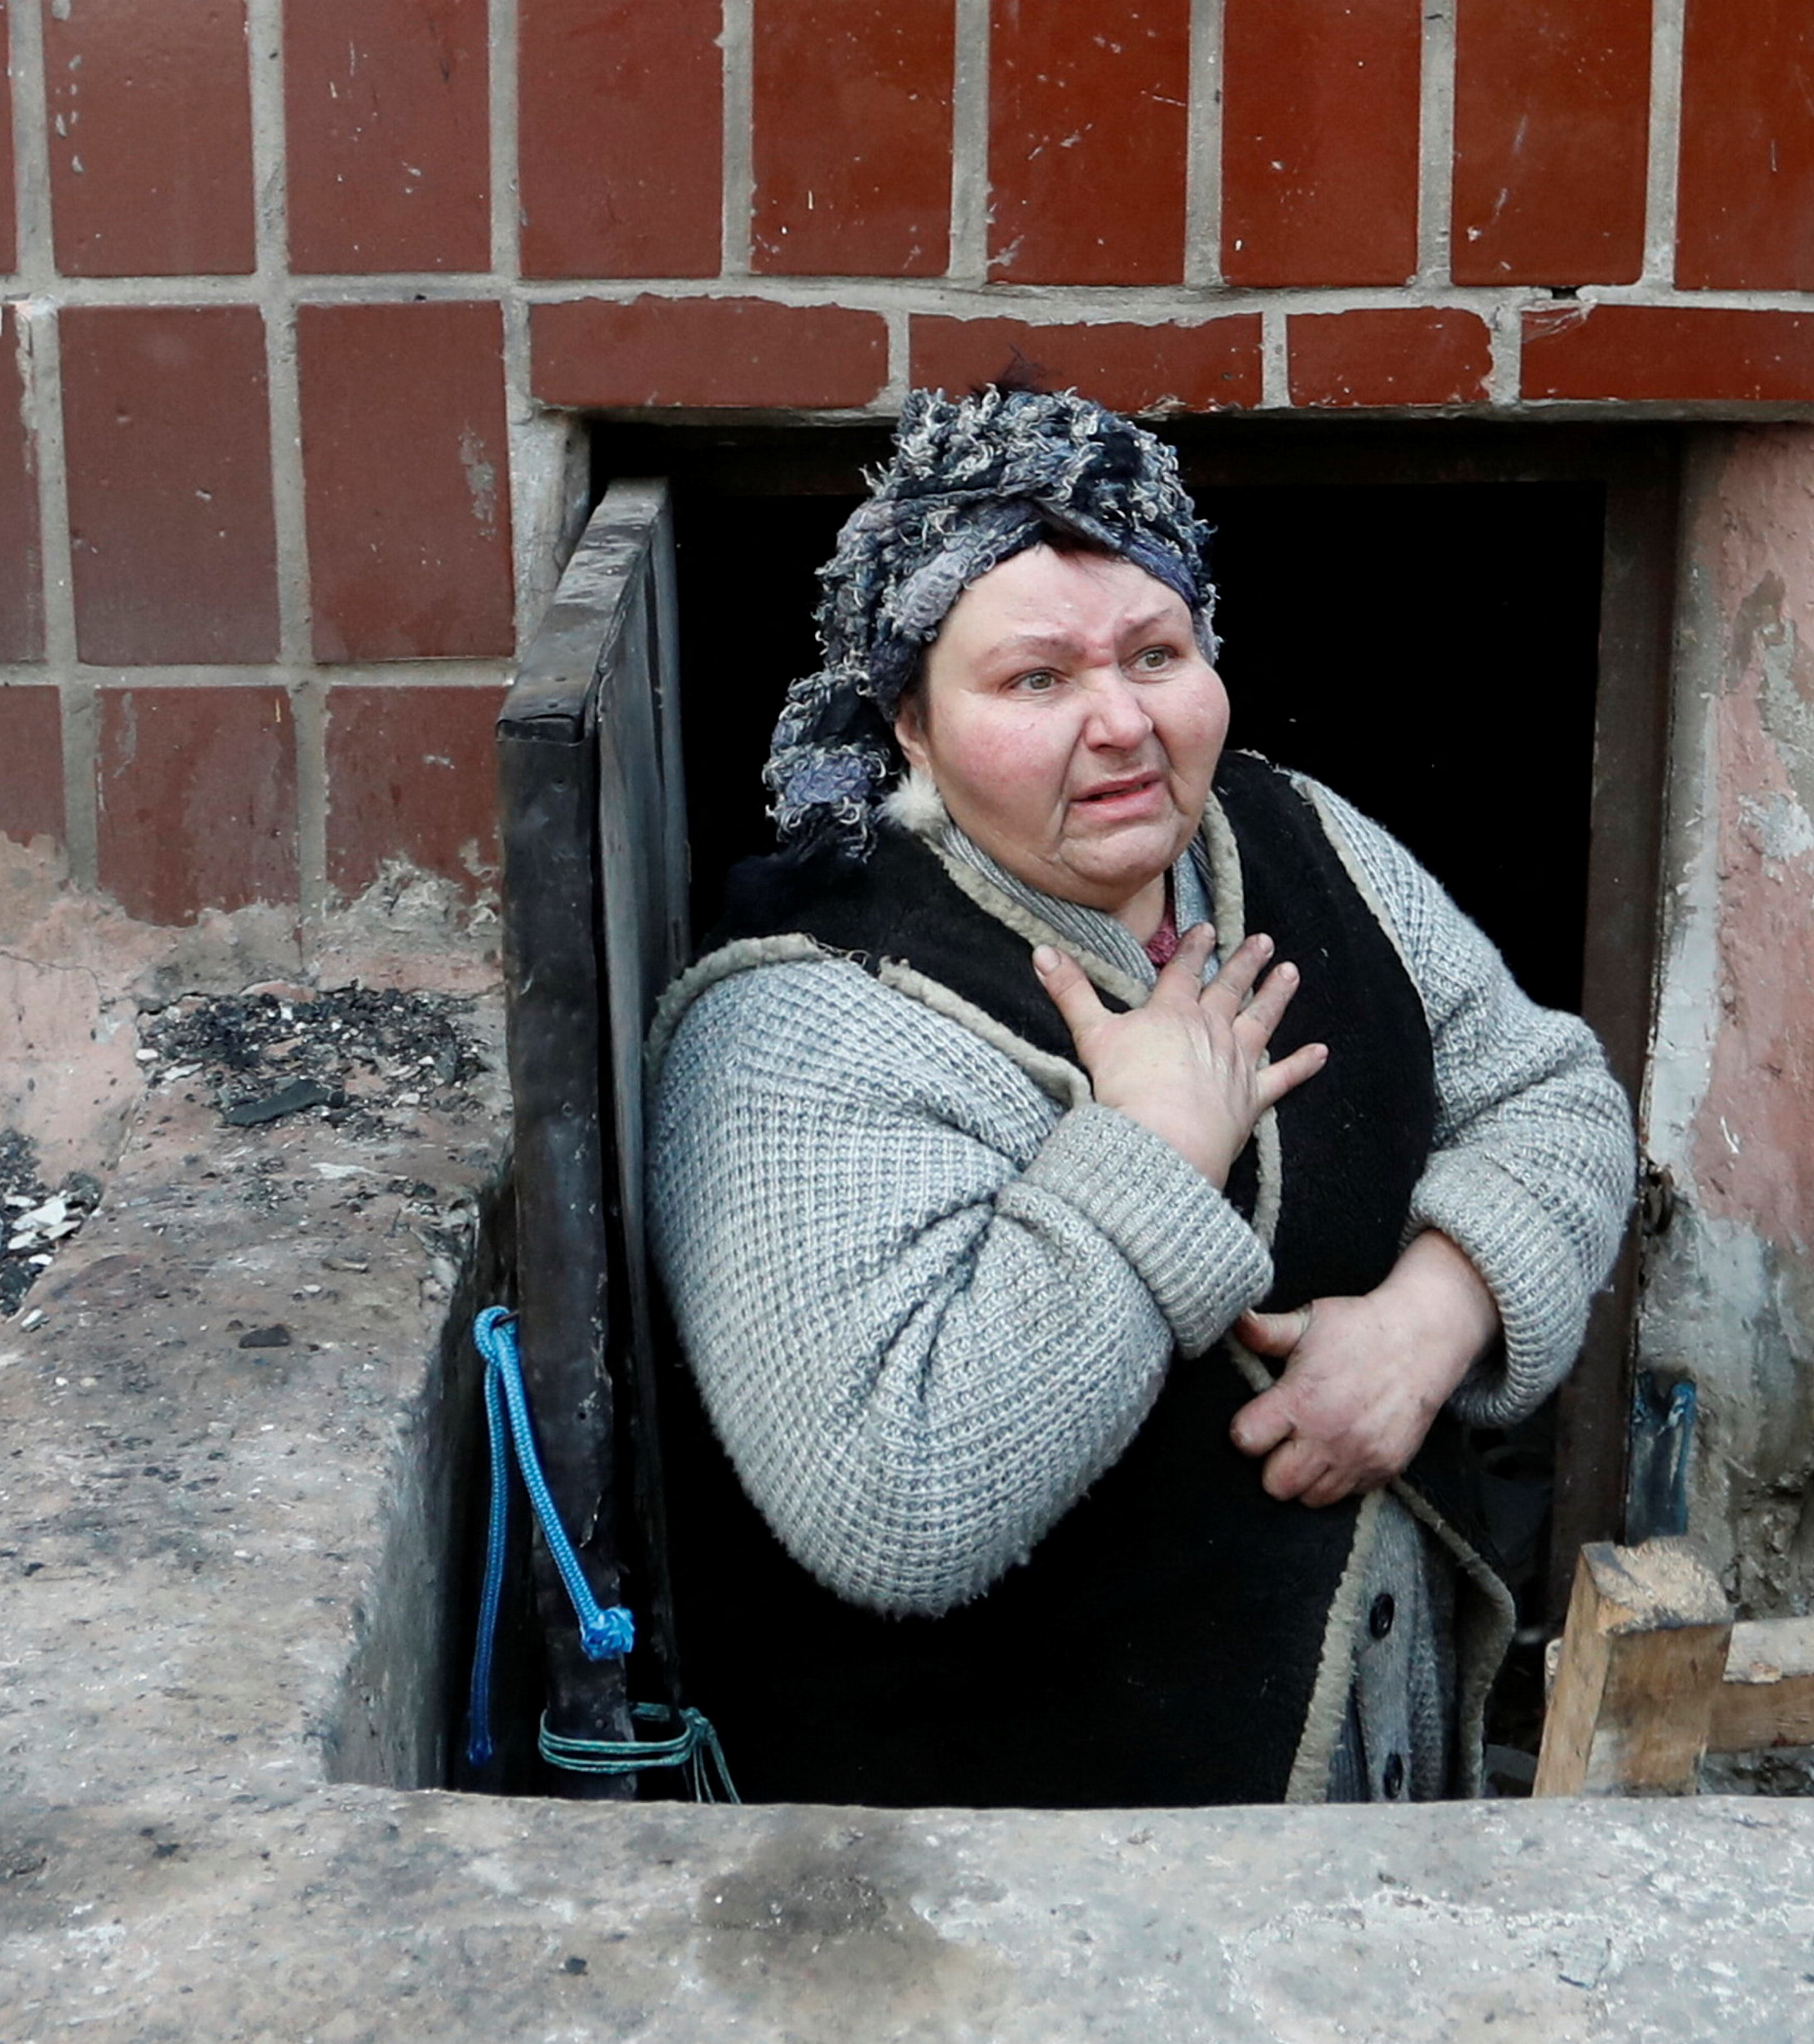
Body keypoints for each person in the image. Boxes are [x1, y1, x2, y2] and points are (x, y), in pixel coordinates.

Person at [647, 386, 1635, 1805]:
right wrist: (1151, 1149)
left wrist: (1432, 1321)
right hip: (1016, 1891)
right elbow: (894, 1494)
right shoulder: (804, 1019)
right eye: (1035, 680)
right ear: (909, 724)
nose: (1120, 721)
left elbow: (1551, 1095)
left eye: (1156, 654)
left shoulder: (1295, 837)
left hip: (1367, 1776)